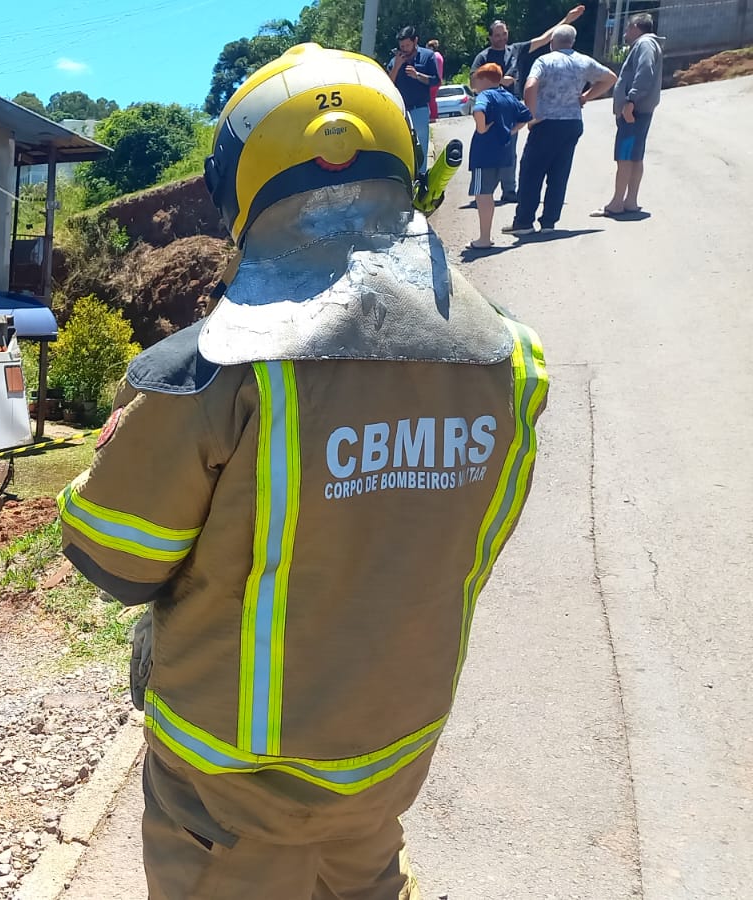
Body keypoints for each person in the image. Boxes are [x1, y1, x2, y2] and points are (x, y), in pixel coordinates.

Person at [62, 42, 549, 899]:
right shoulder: (511, 361)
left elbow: (112, 558)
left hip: (229, 781)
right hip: (392, 753)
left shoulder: (214, 371)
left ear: (244, 186)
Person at [505, 24, 617, 235]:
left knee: (532, 171)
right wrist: (586, 96)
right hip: (572, 122)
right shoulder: (583, 60)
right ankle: (549, 222)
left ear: (552, 43)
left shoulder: (545, 61)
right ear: (572, 42)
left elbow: (530, 86)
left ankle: (524, 222)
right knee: (559, 173)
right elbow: (610, 77)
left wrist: (530, 115)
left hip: (546, 122)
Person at [471, 6, 589, 202]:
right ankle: (483, 191)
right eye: (497, 35)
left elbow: (544, 39)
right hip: (490, 108)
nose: (501, 38)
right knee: (487, 147)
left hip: (512, 107)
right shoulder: (483, 57)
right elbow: (473, 81)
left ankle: (509, 191)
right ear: (490, 37)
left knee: (509, 148)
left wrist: (567, 19)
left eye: (504, 34)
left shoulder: (516, 49)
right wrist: (499, 81)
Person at [595, 13, 664, 217]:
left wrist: (631, 101)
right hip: (639, 110)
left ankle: (617, 203)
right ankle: (630, 201)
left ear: (636, 27)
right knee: (634, 156)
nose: (625, 33)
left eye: (627, 28)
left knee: (625, 156)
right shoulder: (648, 44)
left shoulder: (645, 44)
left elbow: (645, 71)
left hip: (634, 110)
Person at [467, 64, 533, 248]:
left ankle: (484, 238)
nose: (476, 86)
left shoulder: (485, 95)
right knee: (489, 193)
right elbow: (527, 115)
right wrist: (512, 131)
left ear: (486, 80)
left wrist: (481, 128)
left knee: (483, 195)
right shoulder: (508, 96)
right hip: (503, 153)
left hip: (483, 154)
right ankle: (485, 236)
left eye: (478, 81)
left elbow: (479, 110)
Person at [388, 26, 441, 175]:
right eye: (402, 46)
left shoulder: (428, 56)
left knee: (421, 146)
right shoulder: (394, 61)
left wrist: (417, 75)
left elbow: (436, 81)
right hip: (401, 111)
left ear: (415, 41)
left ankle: (421, 178)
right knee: (402, 146)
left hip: (420, 109)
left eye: (407, 45)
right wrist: (397, 66)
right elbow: (388, 84)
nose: (404, 49)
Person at [426, 39, 446, 122]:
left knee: (430, 99)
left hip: (434, 80)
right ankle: (434, 115)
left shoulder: (434, 56)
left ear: (431, 47)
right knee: (432, 98)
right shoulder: (439, 55)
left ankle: (433, 116)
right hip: (438, 79)